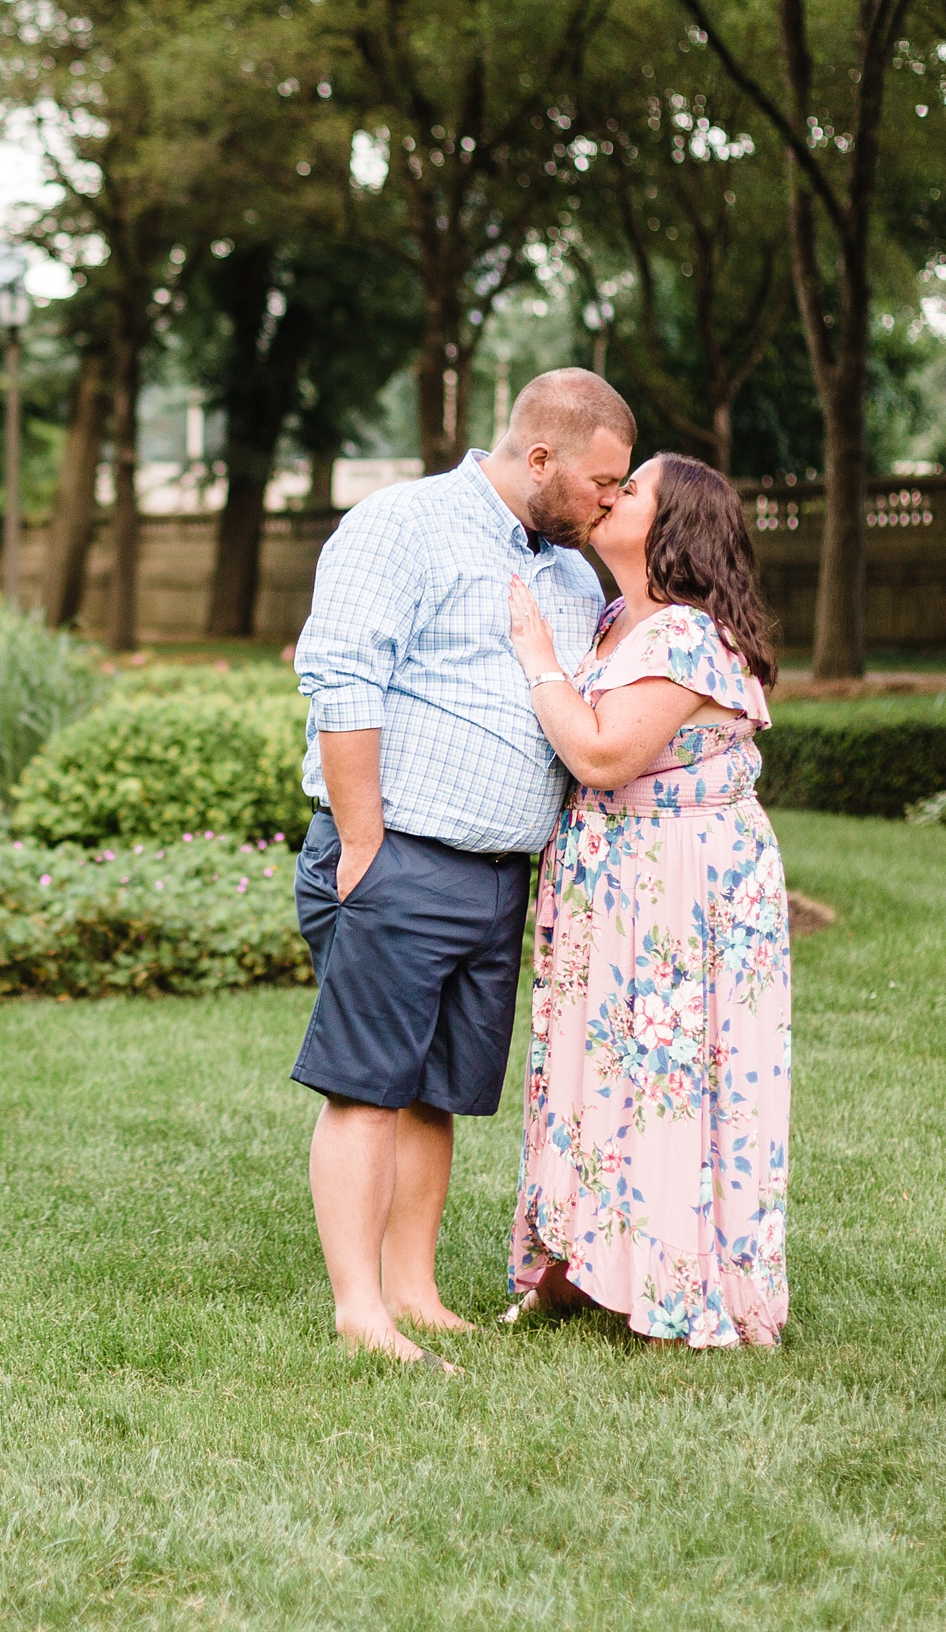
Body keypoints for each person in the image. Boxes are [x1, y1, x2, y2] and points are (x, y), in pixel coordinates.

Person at [288, 369, 637, 1370]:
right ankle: (360, 1307)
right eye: (600, 481)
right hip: (398, 851)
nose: (610, 501)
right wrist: (362, 843)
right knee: (366, 1084)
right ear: (540, 459)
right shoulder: (401, 524)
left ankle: (415, 1288)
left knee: (435, 1091)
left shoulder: (569, 571)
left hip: (495, 875)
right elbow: (341, 677)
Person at [500, 452, 792, 1349]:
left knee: (671, 1075)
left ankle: (674, 1279)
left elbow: (601, 756)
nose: (609, 493)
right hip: (615, 879)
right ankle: (584, 1265)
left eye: (631, 490)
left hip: (683, 886)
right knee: (598, 1067)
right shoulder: (620, 617)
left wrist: (536, 657)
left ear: (670, 527)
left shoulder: (689, 637)